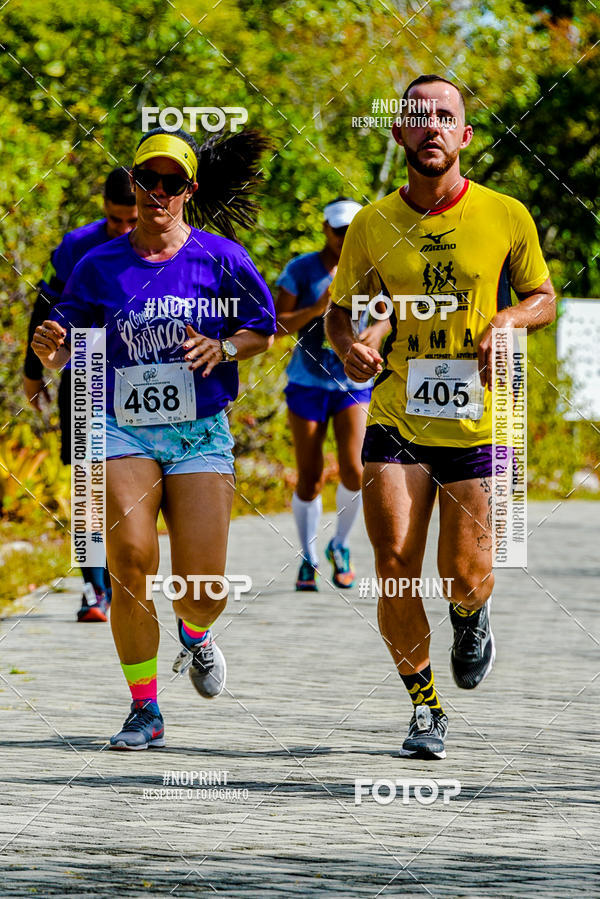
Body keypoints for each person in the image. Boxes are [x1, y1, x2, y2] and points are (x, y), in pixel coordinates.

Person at [326, 75, 555, 759]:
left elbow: (542, 295)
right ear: (398, 133)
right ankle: (426, 708)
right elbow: (341, 311)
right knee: (395, 566)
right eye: (417, 117)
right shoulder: (370, 224)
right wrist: (350, 345)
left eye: (444, 116)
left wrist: (510, 319)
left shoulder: (506, 214)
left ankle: (470, 612)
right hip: (397, 415)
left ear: (465, 136)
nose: (431, 127)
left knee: (462, 573)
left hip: (481, 421)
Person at [32, 127, 276, 750]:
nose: (156, 193)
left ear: (189, 190)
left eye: (171, 183)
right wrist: (51, 351)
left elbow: (263, 330)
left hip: (198, 434)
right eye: (147, 180)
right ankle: (144, 708)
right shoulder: (97, 264)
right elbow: (65, 340)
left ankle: (195, 635)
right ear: (134, 185)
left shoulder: (221, 257)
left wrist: (223, 346)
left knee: (204, 591)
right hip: (120, 429)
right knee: (131, 559)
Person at [24, 168, 138, 622]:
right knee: (87, 482)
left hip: (142, 372)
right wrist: (33, 372)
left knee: (130, 486)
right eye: (115, 222)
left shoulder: (168, 239)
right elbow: (44, 308)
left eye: (132, 221)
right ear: (104, 210)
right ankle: (95, 588)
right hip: (87, 365)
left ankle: (128, 577)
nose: (126, 231)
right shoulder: (77, 246)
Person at [275, 198, 390, 591]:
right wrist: (318, 309)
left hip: (352, 385)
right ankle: (307, 556)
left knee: (356, 469)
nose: (342, 238)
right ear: (324, 228)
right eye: (337, 230)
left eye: (349, 230)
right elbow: (275, 326)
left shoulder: (373, 266)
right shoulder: (300, 270)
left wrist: (374, 333)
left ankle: (339, 545)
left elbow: (387, 314)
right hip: (307, 382)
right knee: (309, 477)